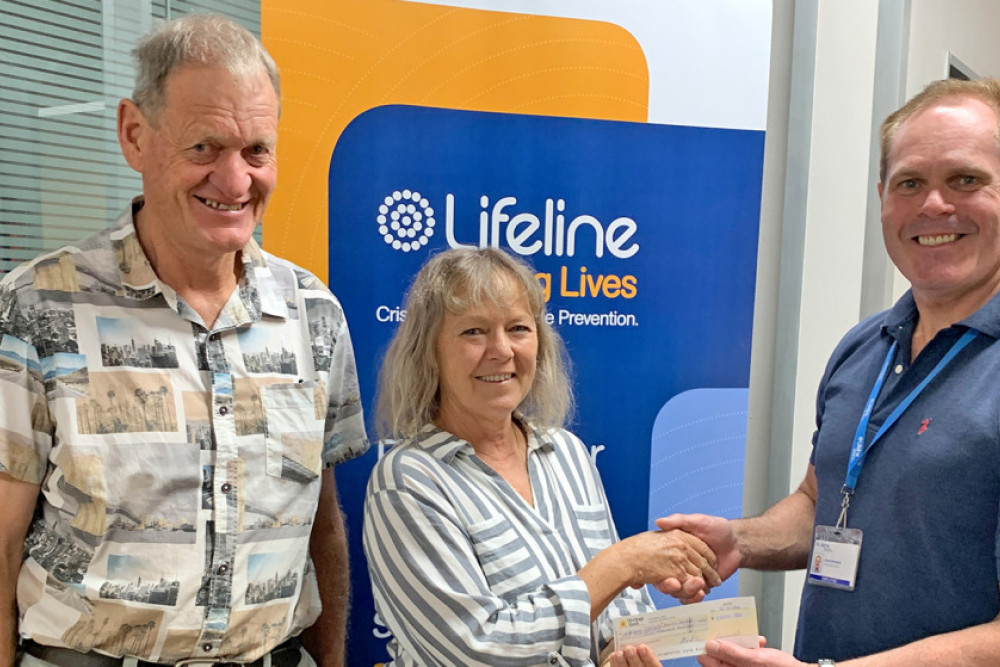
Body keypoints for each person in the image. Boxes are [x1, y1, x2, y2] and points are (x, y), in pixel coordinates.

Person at [0, 14, 368, 667]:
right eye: (204, 148)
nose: (234, 182)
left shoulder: (314, 314)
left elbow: (322, 527)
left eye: (256, 150)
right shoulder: (38, 307)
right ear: (135, 136)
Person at [659, 76, 1000, 666]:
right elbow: (824, 498)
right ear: (882, 199)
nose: (933, 205)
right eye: (909, 183)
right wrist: (740, 541)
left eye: (965, 180)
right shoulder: (866, 345)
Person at [362, 246, 721, 667]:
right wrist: (623, 563)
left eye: (517, 328)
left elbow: (619, 607)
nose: (501, 350)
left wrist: (617, 653)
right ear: (429, 353)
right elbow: (474, 649)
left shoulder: (566, 452)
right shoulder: (408, 480)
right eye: (473, 332)